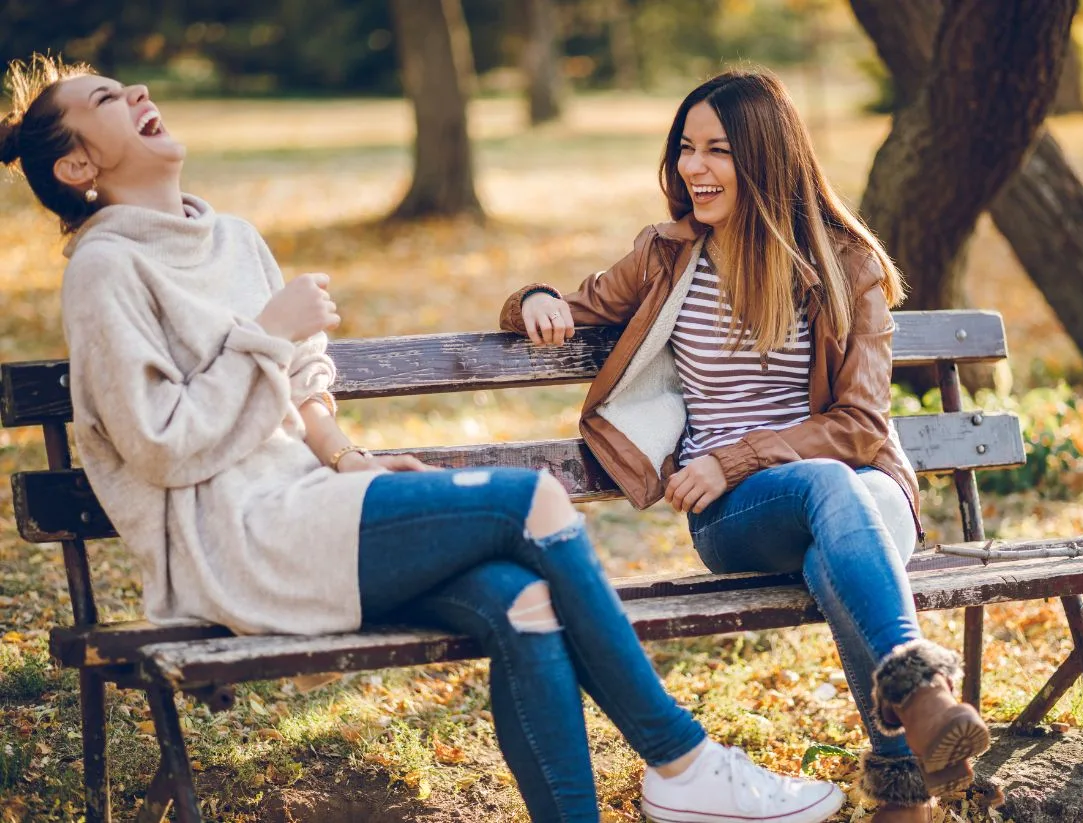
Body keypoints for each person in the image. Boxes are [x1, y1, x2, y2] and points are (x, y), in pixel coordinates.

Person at [0, 56, 848, 823]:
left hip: (312, 506)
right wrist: (265, 334)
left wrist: (350, 459)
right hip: (237, 543)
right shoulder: (106, 270)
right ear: (78, 167)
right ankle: (681, 757)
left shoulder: (232, 238)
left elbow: (303, 392)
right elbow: (159, 443)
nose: (139, 93)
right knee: (533, 498)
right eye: (109, 98)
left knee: (525, 601)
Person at [500, 68, 992, 823]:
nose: (694, 168)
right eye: (685, 149)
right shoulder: (667, 256)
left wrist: (737, 450)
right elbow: (566, 304)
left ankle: (903, 785)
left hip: (861, 491)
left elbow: (861, 424)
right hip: (739, 512)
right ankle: (917, 709)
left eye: (717, 150)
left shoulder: (843, 264)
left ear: (765, 157)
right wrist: (532, 297)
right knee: (830, 485)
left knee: (840, 511)